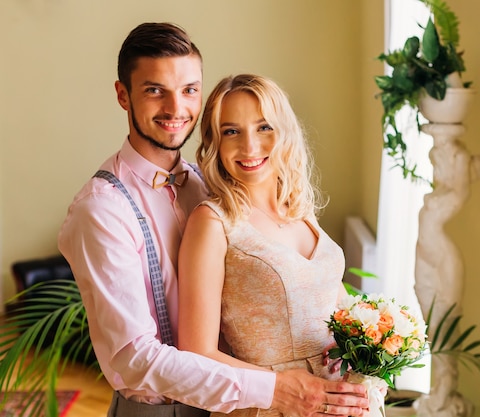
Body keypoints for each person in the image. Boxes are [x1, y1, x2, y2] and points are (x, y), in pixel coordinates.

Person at [57, 23, 368, 417]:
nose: (175, 108)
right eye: (155, 90)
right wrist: (275, 389)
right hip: (163, 411)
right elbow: (136, 357)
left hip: (236, 405)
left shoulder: (214, 183)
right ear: (123, 95)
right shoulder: (102, 210)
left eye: (188, 90)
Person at [177, 73, 353, 417]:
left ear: (284, 131)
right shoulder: (213, 223)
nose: (250, 147)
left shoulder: (300, 207)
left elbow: (329, 299)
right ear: (215, 143)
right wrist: (286, 388)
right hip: (272, 408)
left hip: (339, 402)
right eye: (231, 132)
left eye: (263, 127)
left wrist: (379, 344)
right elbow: (196, 353)